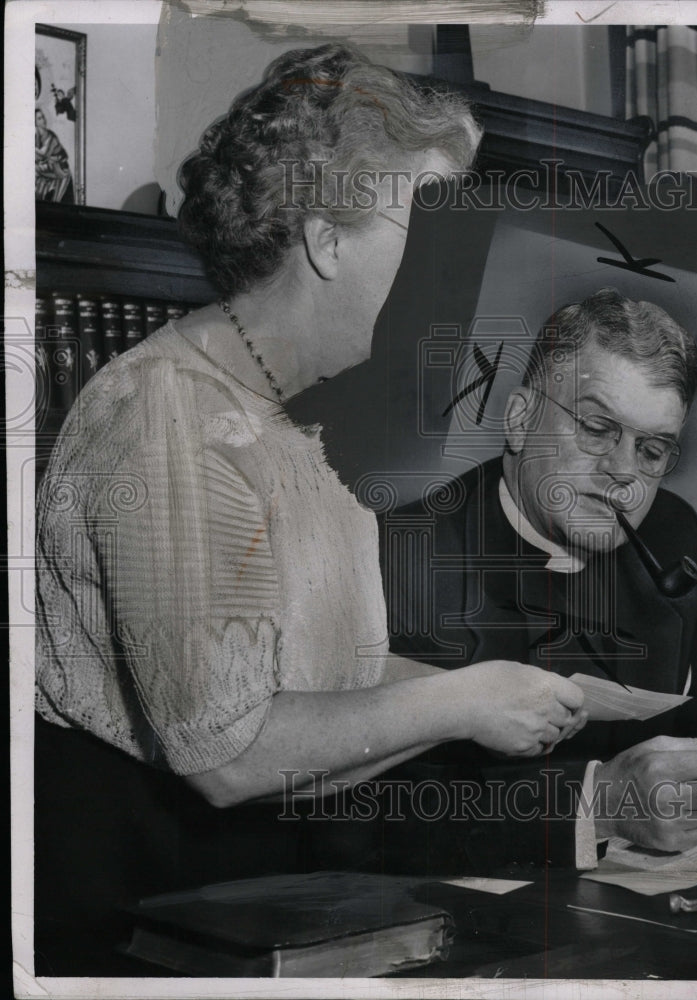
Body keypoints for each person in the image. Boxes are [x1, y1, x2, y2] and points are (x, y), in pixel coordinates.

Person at [34, 44, 586, 974]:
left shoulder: (317, 416)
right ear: (328, 240)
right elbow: (232, 752)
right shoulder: (168, 416)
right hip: (130, 904)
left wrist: (519, 696)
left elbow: (334, 676)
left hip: (259, 890)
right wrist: (466, 697)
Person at [379, 289, 697, 871]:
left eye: (651, 450)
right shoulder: (401, 555)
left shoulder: (671, 532)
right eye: (597, 428)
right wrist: (595, 803)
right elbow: (370, 819)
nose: (623, 473)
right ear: (520, 420)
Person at [35, 107, 73, 202]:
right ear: (34, 122)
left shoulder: (50, 136)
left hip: (60, 169)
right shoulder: (36, 137)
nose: (43, 119)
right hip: (49, 167)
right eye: (39, 118)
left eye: (43, 117)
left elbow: (43, 154)